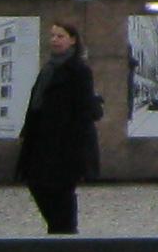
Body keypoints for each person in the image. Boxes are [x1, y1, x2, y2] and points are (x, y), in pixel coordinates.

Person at [16, 18, 103, 234]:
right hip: (41, 141)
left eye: (60, 36)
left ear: (72, 40)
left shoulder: (78, 70)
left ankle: (64, 236)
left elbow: (84, 110)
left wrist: (79, 149)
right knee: (37, 184)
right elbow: (37, 103)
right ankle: (59, 231)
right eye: (53, 35)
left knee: (61, 193)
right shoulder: (49, 68)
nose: (54, 40)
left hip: (65, 145)